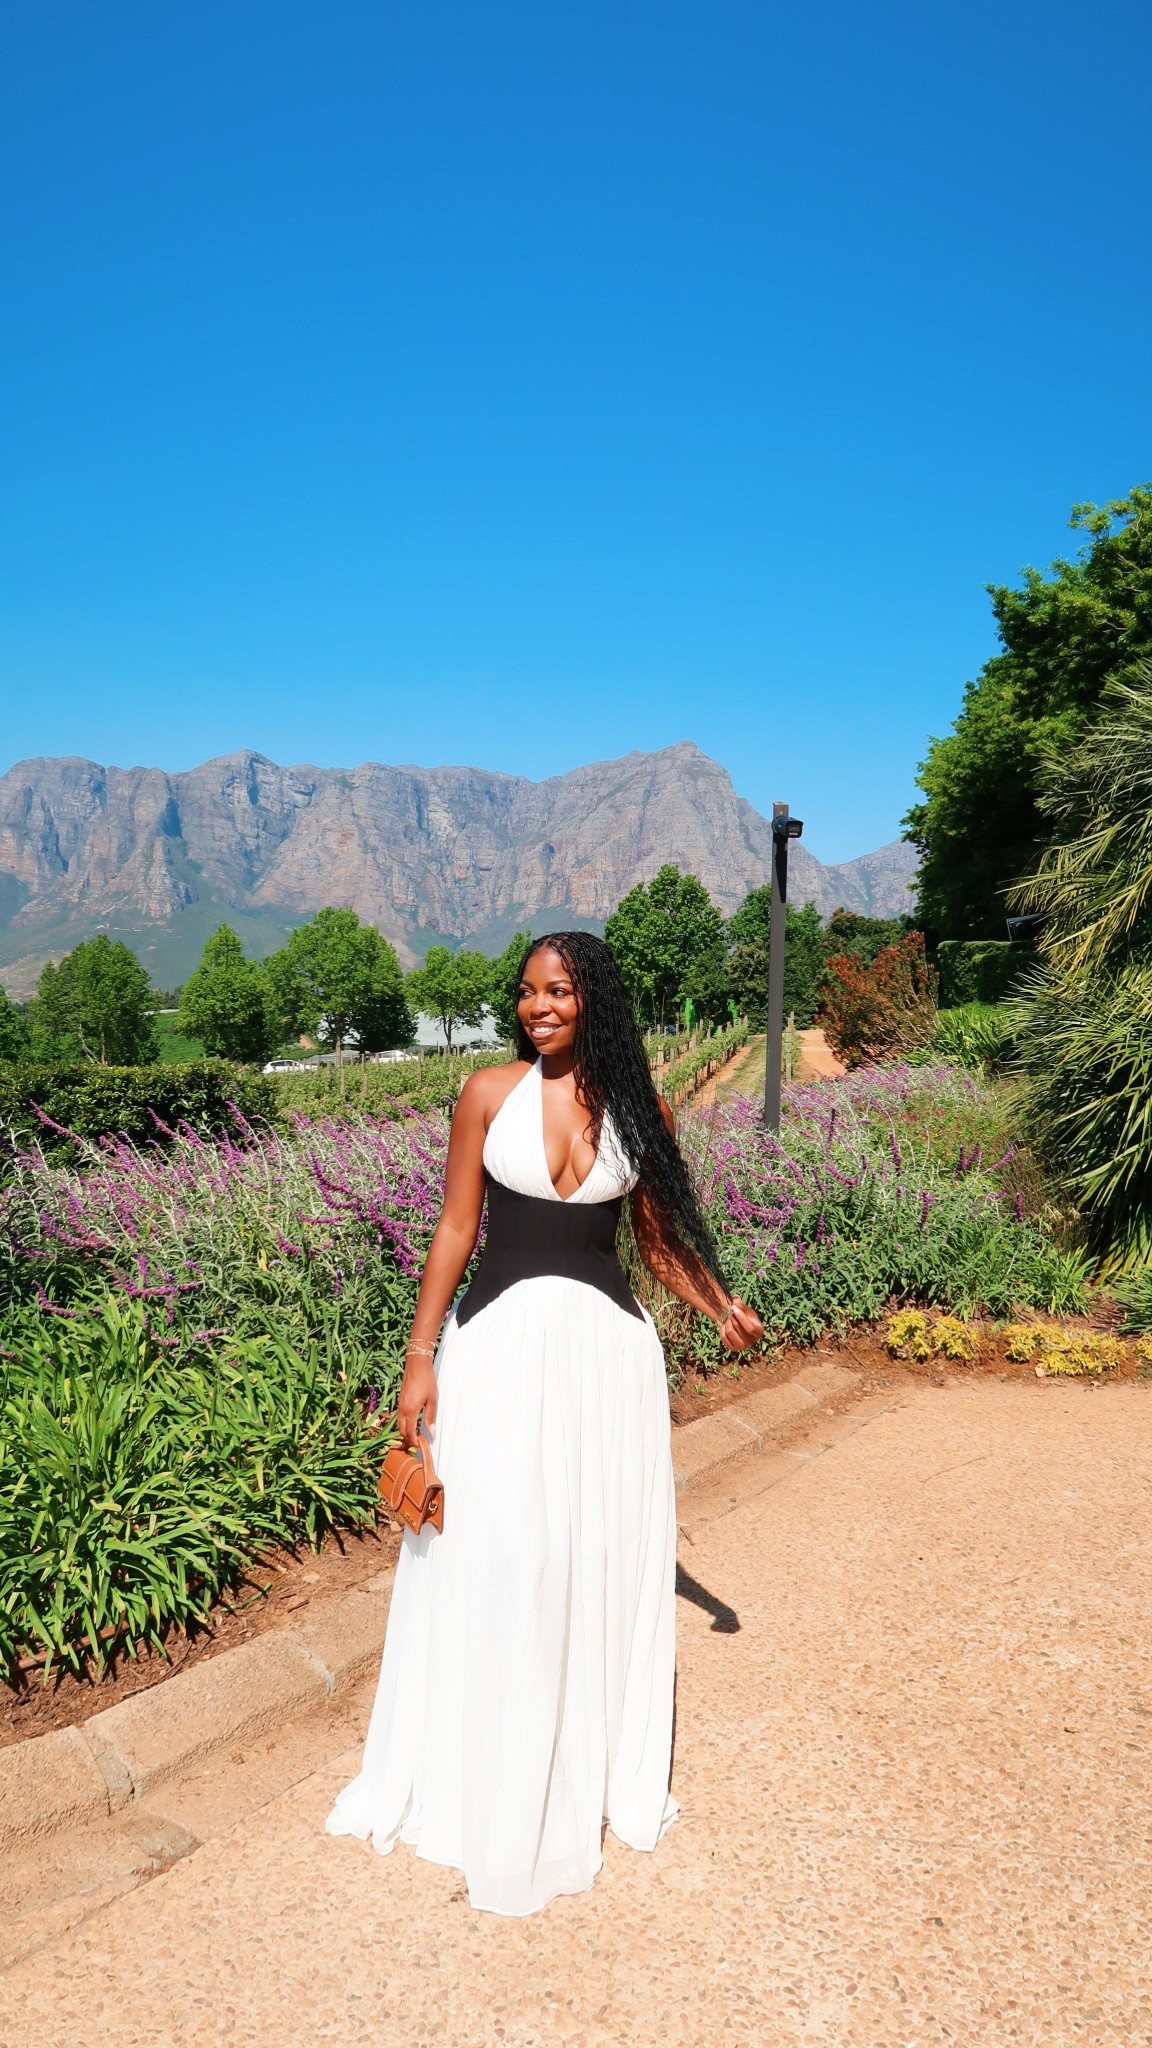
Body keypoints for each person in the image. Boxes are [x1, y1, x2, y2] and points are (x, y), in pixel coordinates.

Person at [326, 932, 762, 1915]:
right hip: (498, 1354)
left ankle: (575, 1761)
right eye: (527, 991)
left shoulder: (643, 1109)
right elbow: (454, 1226)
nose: (540, 1006)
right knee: (506, 1551)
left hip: (605, 1363)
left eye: (558, 989)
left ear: (592, 997)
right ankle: (487, 1766)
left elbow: (657, 1241)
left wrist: (718, 1304)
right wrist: (418, 1356)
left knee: (587, 1555)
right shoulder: (488, 1093)